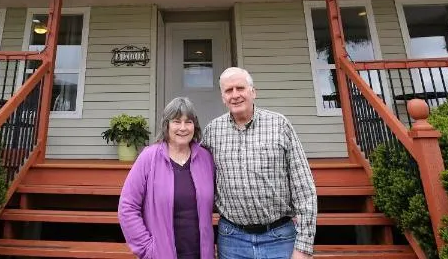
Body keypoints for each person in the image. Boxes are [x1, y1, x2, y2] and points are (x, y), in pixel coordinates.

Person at [203, 67, 317, 259]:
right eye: (228, 91)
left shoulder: (279, 125)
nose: (235, 95)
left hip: (280, 237)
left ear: (253, 92)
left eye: (240, 88)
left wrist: (304, 247)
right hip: (232, 239)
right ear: (223, 97)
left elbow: (304, 188)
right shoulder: (212, 132)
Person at [118, 97, 215, 259]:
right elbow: (128, 207)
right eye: (177, 121)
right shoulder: (148, 158)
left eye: (188, 122)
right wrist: (147, 248)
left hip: (201, 254)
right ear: (167, 125)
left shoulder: (205, 158)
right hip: (161, 254)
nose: (183, 128)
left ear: (195, 125)